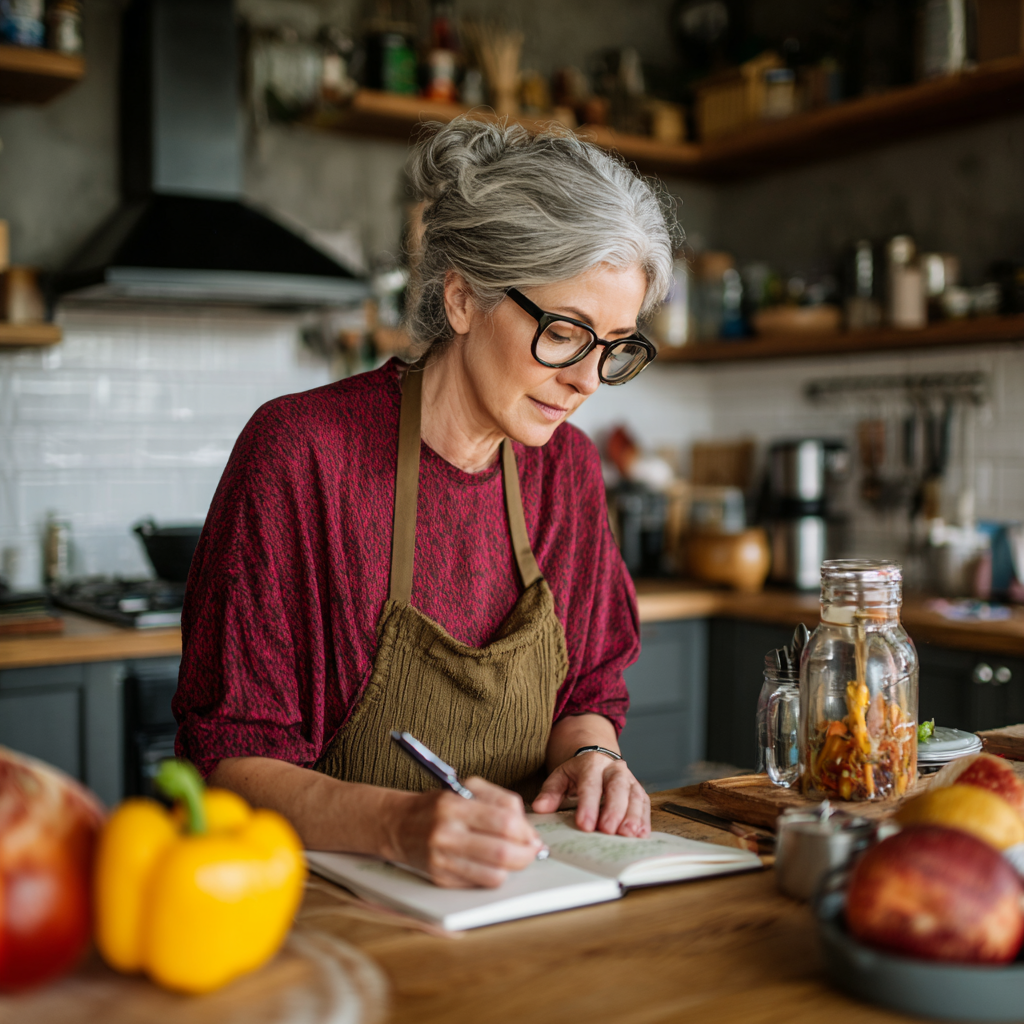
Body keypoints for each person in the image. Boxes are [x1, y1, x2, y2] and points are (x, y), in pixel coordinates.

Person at [173, 117, 679, 889]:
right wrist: (400, 826)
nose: (588, 381)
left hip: (516, 895)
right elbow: (232, 765)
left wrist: (592, 757)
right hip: (321, 910)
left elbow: (585, 692)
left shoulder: (566, 470)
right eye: (566, 333)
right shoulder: (302, 454)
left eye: (615, 346)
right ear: (464, 298)